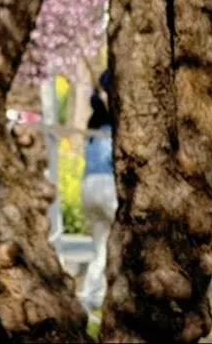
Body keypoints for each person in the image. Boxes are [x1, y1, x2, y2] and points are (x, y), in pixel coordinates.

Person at [80, 71, 117, 312]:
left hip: (87, 186)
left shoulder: (92, 124)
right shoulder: (116, 125)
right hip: (107, 185)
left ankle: (91, 295)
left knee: (101, 248)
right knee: (125, 240)